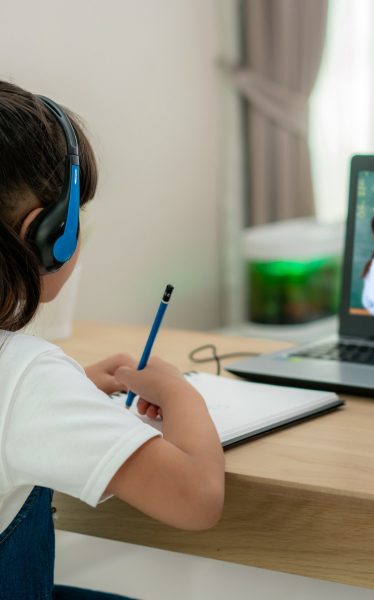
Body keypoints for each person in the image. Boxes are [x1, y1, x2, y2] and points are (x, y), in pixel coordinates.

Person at [0, 80, 225, 599]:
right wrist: (180, 394)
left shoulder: (32, 387)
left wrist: (69, 390)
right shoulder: (24, 374)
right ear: (50, 235)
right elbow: (197, 498)